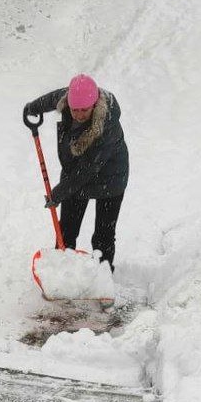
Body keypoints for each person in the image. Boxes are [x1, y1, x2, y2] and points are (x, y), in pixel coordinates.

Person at [22, 73, 129, 270]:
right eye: (74, 109)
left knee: (103, 233)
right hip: (76, 174)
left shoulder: (107, 126)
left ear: (95, 104)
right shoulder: (70, 98)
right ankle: (61, 271)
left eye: (84, 110)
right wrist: (33, 107)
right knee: (67, 229)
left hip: (111, 178)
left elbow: (88, 169)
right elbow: (54, 98)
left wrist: (59, 193)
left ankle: (103, 277)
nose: (78, 114)